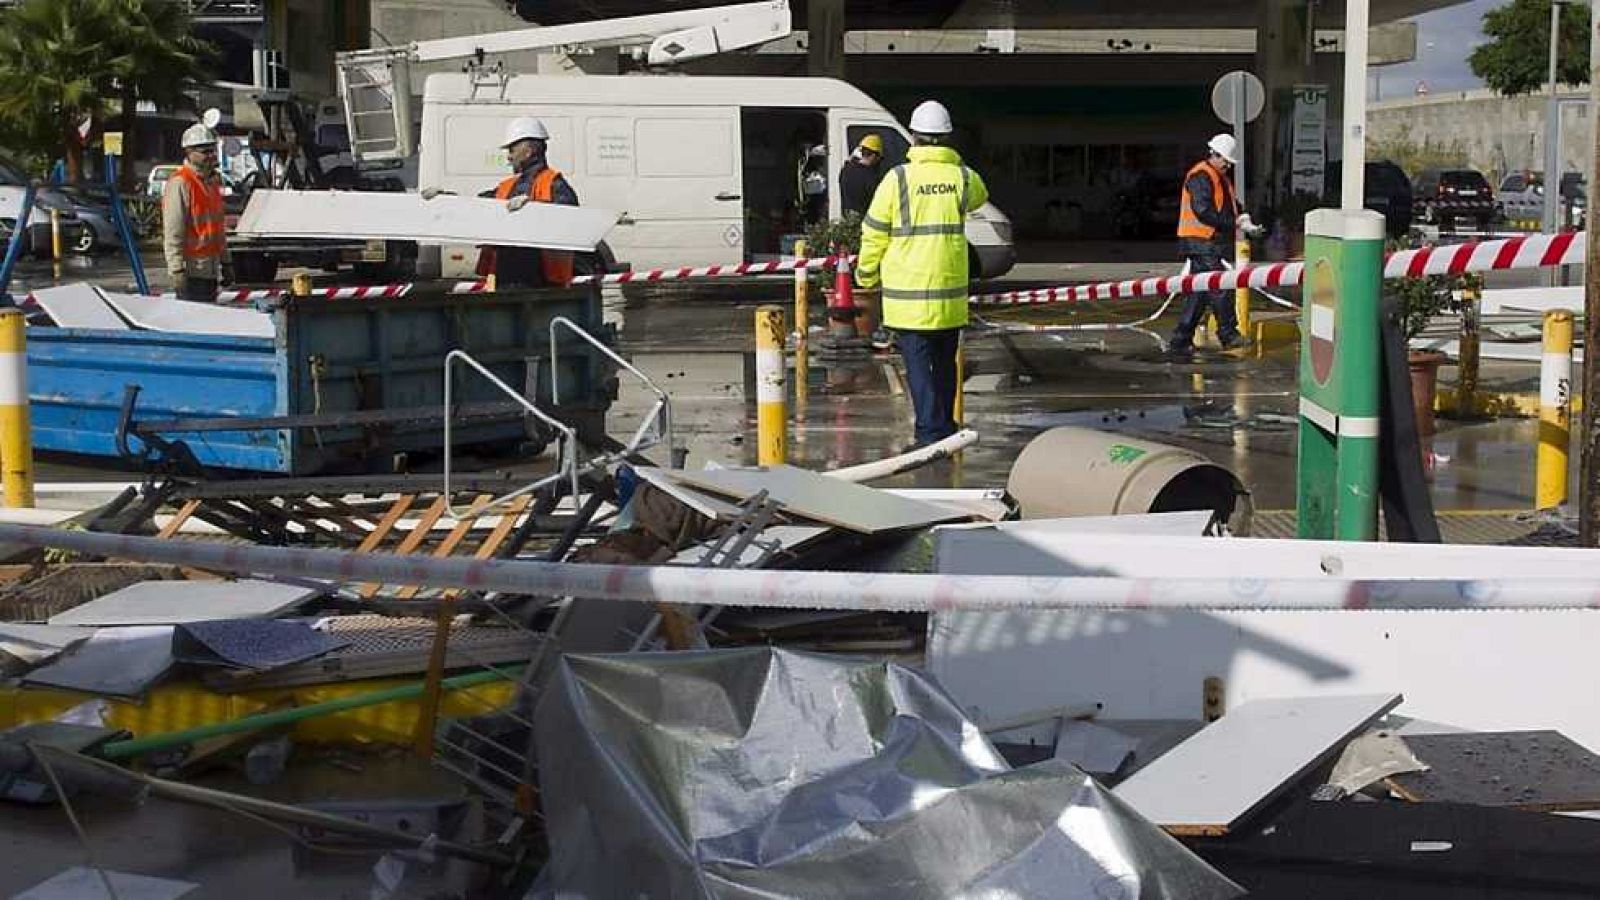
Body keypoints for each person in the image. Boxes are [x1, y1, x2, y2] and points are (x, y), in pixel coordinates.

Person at [857, 100, 988, 450]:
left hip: (908, 294)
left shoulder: (896, 178)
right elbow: (980, 195)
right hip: (949, 294)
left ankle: (930, 434)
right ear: (947, 138)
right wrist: (952, 164)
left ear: (914, 137)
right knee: (945, 363)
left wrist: (865, 276)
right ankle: (945, 424)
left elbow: (874, 233)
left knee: (918, 365)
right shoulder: (961, 177)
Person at [424, 116, 578, 288]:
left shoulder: (554, 183)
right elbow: (479, 203)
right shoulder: (508, 186)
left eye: (512, 150)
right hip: (506, 276)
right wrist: (447, 197)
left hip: (542, 281)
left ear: (529, 150)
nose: (509, 157)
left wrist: (534, 208)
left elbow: (570, 220)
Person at [1169, 133, 1263, 354]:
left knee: (1199, 292)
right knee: (1220, 285)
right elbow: (1203, 210)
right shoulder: (1201, 176)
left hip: (1203, 240)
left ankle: (1181, 339)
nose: (1228, 166)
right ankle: (1228, 335)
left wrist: (1244, 218)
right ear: (1216, 155)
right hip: (1199, 240)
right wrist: (1235, 223)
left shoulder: (1218, 177)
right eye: (1227, 162)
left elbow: (1230, 205)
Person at [162, 123, 227, 303]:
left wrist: (226, 261)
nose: (211, 156)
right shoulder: (181, 183)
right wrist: (176, 271)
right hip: (191, 272)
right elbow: (173, 232)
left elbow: (218, 229)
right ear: (189, 152)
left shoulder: (212, 182)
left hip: (210, 271)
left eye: (212, 150)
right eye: (205, 152)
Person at [839, 133, 884, 218]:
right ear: (874, 155)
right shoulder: (871, 177)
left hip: (847, 220)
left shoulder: (846, 170)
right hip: (864, 221)